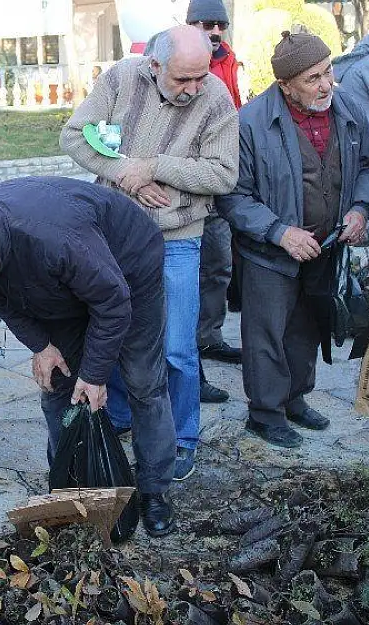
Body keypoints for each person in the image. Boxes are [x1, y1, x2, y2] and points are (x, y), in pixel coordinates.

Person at [0, 176, 178, 537]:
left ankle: (154, 488)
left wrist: (96, 373)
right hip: (63, 282)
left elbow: (113, 303)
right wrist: (41, 346)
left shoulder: (55, 239)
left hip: (128, 272)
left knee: (143, 382)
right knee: (57, 383)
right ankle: (70, 481)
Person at [60, 25, 239, 479]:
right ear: (154, 65)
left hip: (179, 237)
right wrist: (126, 173)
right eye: (183, 79)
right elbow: (75, 135)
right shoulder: (120, 79)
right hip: (116, 236)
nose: (193, 89)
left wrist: (156, 167)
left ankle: (181, 437)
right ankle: (120, 414)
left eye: (199, 78)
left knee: (178, 347)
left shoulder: (215, 97)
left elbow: (223, 175)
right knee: (115, 332)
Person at [218, 29, 369, 449]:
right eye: (313, 78)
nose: (326, 85)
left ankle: (295, 399)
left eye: (327, 73)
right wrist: (279, 232)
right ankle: (265, 413)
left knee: (307, 326)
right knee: (266, 333)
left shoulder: (347, 109)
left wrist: (360, 209)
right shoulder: (250, 123)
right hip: (269, 253)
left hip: (326, 247)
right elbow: (232, 195)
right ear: (285, 85)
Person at [185, 0, 246, 401]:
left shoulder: (230, 61)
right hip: (183, 187)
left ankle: (209, 337)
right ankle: (188, 364)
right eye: (206, 24)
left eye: (220, 23)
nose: (214, 31)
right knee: (182, 281)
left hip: (219, 186)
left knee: (218, 269)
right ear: (189, 25)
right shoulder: (172, 58)